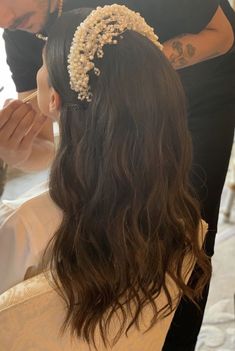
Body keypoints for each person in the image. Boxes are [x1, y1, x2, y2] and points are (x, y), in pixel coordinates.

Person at [0, 0, 235, 349]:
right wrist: (16, 154)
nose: (5, 21)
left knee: (184, 228)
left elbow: (223, 35)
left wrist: (131, 76)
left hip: (194, 103)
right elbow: (48, 143)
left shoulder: (24, 227)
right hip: (110, 114)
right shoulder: (18, 32)